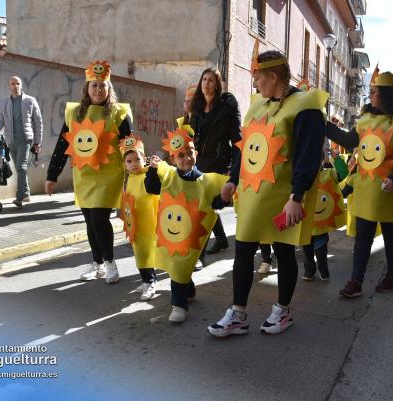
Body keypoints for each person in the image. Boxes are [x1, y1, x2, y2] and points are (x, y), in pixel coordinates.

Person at [207, 46, 345, 337]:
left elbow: (308, 155)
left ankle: (283, 309)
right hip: (253, 195)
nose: (254, 84)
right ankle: (238, 314)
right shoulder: (258, 104)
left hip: (285, 198)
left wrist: (297, 197)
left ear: (273, 76)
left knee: (284, 252)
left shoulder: (306, 106)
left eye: (257, 77)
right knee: (243, 249)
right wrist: (233, 178)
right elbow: (247, 148)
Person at [328, 66, 393, 298]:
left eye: (373, 92)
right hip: (365, 186)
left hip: (390, 186)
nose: (369, 96)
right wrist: (324, 125)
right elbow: (350, 139)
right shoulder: (366, 119)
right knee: (363, 236)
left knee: (391, 234)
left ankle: (391, 275)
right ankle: (356, 281)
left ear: (387, 94)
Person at [45, 60, 132, 284]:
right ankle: (98, 263)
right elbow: (62, 146)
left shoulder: (119, 113)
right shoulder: (74, 113)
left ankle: (111, 262)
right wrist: (52, 176)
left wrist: (136, 173)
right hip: (84, 176)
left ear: (109, 88)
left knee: (99, 219)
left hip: (109, 175)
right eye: (94, 85)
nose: (98, 89)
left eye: (103, 85)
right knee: (89, 222)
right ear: (87, 88)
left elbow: (129, 145)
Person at [144, 126, 228, 323]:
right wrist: (152, 170)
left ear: (195, 153)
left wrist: (221, 199)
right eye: (180, 155)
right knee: (177, 263)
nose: (186, 158)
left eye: (189, 153)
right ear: (173, 159)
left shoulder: (207, 181)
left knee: (183, 264)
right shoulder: (168, 175)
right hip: (172, 233)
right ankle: (180, 302)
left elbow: (218, 201)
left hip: (192, 236)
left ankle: (184, 296)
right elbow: (151, 188)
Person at [189, 68, 241, 255]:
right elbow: (191, 135)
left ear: (217, 85)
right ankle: (220, 239)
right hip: (199, 160)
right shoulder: (196, 106)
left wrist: (234, 168)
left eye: (211, 80)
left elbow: (237, 139)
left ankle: (200, 250)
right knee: (206, 201)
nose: (206, 83)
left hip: (219, 160)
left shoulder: (227, 107)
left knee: (207, 202)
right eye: (204, 79)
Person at [120, 135, 166, 301]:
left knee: (147, 252)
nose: (133, 164)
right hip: (136, 223)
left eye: (137, 159)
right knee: (139, 252)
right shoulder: (129, 178)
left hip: (149, 222)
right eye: (129, 161)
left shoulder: (149, 174)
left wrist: (155, 167)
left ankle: (150, 281)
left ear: (144, 159)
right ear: (125, 165)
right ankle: (146, 279)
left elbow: (156, 187)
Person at [0, 75, 43, 207]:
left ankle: (19, 197)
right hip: (10, 140)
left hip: (25, 139)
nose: (16, 86)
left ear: (21, 85)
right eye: (13, 84)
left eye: (18, 83)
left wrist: (37, 142)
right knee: (19, 168)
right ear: (9, 86)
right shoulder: (4, 103)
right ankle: (26, 193)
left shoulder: (30, 101)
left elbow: (38, 122)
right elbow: (0, 120)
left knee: (21, 167)